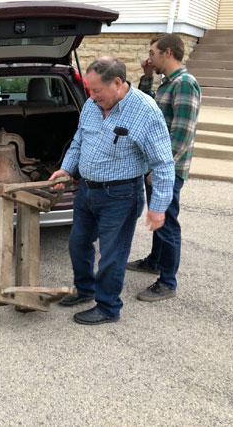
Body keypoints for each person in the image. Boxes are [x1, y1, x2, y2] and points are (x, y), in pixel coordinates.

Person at [49, 56, 175, 325]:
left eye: (97, 90)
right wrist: (67, 169)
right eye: (90, 90)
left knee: (111, 255)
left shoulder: (145, 111)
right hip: (86, 191)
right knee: (78, 243)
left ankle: (108, 307)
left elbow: (163, 163)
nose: (92, 97)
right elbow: (79, 141)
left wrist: (158, 207)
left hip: (121, 196)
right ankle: (85, 289)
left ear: (117, 83)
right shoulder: (92, 106)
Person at [127, 33, 201, 302]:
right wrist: (146, 77)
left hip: (167, 169)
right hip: (156, 166)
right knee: (159, 219)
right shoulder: (167, 83)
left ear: (168, 52)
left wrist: (159, 168)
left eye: (153, 53)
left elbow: (181, 134)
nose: (150, 57)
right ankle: (155, 261)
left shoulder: (184, 84)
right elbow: (145, 109)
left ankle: (167, 281)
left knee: (166, 222)